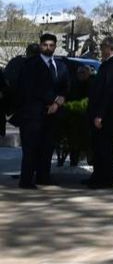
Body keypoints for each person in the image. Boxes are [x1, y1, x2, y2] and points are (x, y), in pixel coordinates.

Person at [13, 34, 68, 188]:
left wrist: (59, 101)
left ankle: (43, 176)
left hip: (52, 114)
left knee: (47, 147)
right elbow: (34, 88)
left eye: (51, 45)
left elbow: (65, 85)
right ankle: (26, 180)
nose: (48, 48)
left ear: (55, 46)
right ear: (40, 45)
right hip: (33, 114)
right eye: (45, 45)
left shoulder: (60, 65)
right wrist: (54, 100)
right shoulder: (31, 65)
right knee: (31, 149)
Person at [85, 36, 113, 188]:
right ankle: (98, 176)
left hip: (106, 115)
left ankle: (104, 179)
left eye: (103, 46)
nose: (101, 50)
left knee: (104, 148)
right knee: (99, 147)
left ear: (109, 48)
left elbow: (108, 92)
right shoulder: (110, 64)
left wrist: (100, 115)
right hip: (104, 114)